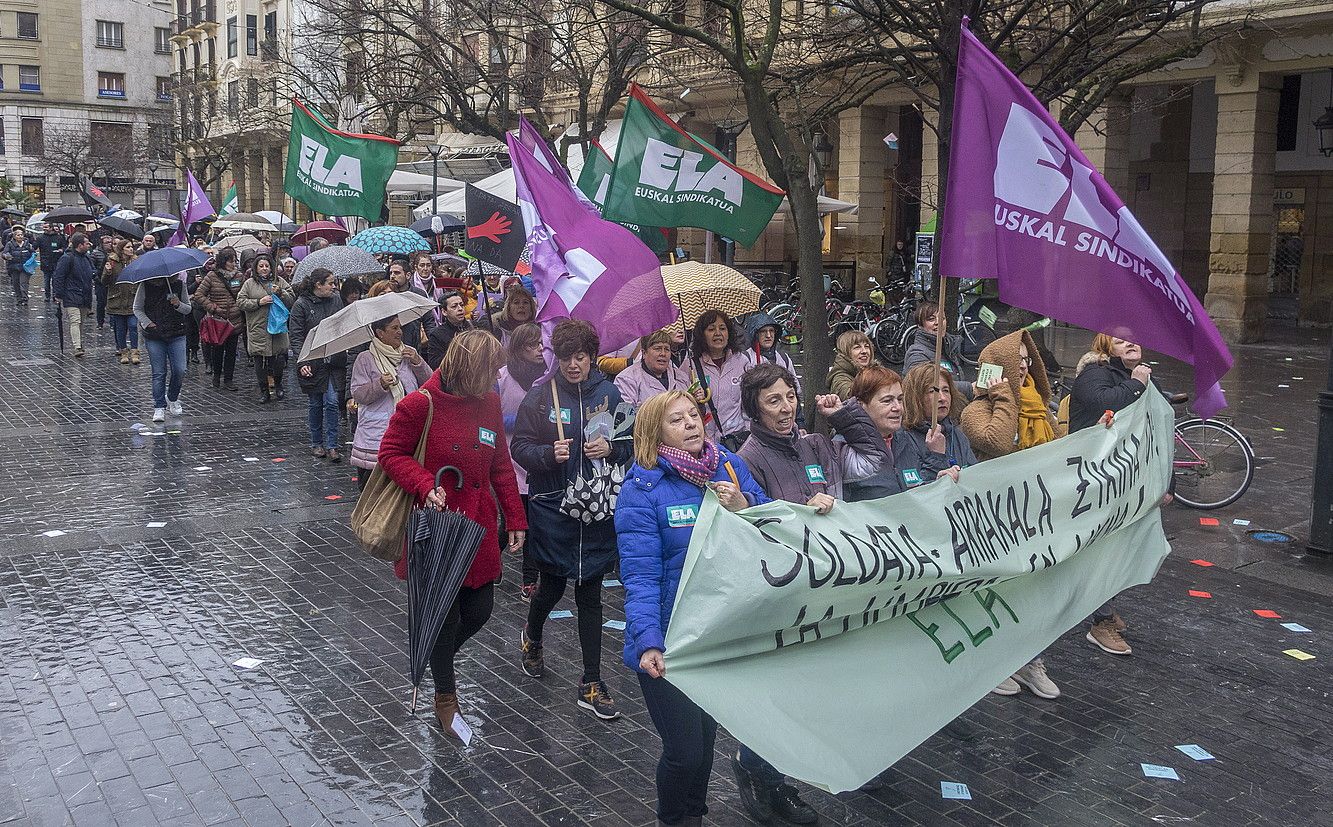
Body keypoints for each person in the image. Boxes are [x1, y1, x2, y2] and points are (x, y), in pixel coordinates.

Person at [615, 390, 769, 827]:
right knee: (683, 752)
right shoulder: (642, 490)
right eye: (676, 420)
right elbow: (640, 575)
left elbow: (770, 517)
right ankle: (671, 818)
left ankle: (692, 817)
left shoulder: (730, 466)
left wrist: (745, 504)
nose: (691, 424)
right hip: (670, 638)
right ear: (654, 433)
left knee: (704, 744)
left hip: (716, 631)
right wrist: (648, 642)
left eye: (693, 416)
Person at [377, 330, 527, 735]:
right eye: (490, 370)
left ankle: (435, 656)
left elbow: (500, 465)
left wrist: (515, 518)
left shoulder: (489, 402)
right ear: (468, 368)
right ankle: (446, 693)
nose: (496, 378)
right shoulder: (418, 405)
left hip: (477, 525)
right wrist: (425, 484)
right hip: (437, 528)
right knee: (444, 614)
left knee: (479, 610)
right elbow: (390, 453)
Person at [510, 319, 629, 721]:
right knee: (552, 587)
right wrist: (547, 455)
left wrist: (610, 449)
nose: (573, 365)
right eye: (565, 357)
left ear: (592, 356)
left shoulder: (611, 394)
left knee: (591, 593)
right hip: (554, 508)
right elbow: (519, 446)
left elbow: (629, 445)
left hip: (596, 509)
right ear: (555, 358)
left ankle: (592, 681)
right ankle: (533, 635)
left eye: (580, 357)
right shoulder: (541, 396)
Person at [960, 329, 1061, 699]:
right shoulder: (976, 411)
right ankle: (994, 660)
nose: (1023, 366)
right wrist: (1002, 397)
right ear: (997, 366)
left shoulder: (1039, 408)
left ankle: (1029, 660)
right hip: (996, 522)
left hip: (1036, 519)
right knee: (997, 592)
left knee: (1034, 593)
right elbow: (996, 442)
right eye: (1014, 359)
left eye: (1026, 359)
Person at [1069, 333, 1170, 657]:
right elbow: (1101, 402)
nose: (1131, 342)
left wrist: (1166, 484)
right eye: (1119, 338)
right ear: (1103, 346)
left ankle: (1103, 609)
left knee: (1121, 549)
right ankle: (1100, 622)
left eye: (1135, 338)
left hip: (1123, 484)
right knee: (1103, 553)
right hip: (1095, 484)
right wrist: (1137, 385)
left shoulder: (1133, 377)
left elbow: (1154, 434)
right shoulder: (1094, 373)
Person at [735, 362, 883, 505]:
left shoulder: (817, 445)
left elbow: (875, 460)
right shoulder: (746, 461)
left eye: (791, 397)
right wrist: (805, 511)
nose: (787, 408)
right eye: (774, 401)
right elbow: (758, 519)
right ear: (754, 409)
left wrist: (842, 415)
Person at [842, 366, 952, 501]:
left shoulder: (904, 440)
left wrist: (937, 478)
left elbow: (917, 494)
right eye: (887, 401)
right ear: (861, 405)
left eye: (900, 399)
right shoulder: (843, 449)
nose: (898, 408)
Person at [349, 315, 432, 489]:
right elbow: (358, 394)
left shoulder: (408, 354)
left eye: (400, 327)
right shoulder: (365, 359)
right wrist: (379, 384)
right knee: (373, 493)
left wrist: (418, 362)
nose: (399, 332)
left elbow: (430, 384)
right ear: (380, 333)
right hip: (376, 434)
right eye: (394, 328)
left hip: (408, 431)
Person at [496, 322, 544, 602]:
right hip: (510, 458)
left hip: (537, 457)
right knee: (512, 521)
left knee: (535, 523)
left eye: (541, 344)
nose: (540, 350)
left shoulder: (547, 376)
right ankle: (490, 559)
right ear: (519, 348)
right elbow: (491, 414)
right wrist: (521, 420)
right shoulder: (501, 377)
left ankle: (530, 580)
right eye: (532, 345)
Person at [290, 268, 347, 462]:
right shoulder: (301, 305)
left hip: (333, 358)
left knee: (332, 402)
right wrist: (302, 361)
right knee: (315, 402)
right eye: (330, 283)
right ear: (318, 285)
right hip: (312, 360)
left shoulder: (336, 300)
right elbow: (296, 336)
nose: (333, 287)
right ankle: (316, 442)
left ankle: (332, 445)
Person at [236, 252, 296, 403]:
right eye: (261, 266)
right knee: (259, 361)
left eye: (267, 266)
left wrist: (280, 292)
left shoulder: (279, 281)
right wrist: (258, 302)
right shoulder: (249, 283)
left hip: (278, 327)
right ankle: (264, 390)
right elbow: (241, 302)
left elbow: (291, 300)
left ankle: (278, 384)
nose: (264, 269)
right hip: (258, 327)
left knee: (278, 359)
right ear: (256, 268)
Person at [899, 362, 977, 475]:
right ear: (916, 398)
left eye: (946, 390)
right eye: (933, 391)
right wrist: (936, 456)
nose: (942, 398)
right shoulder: (903, 439)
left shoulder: (957, 435)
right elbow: (913, 489)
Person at [687, 310, 750, 449]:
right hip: (704, 442)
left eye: (722, 328)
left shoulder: (742, 361)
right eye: (711, 329)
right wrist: (691, 397)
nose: (717, 333)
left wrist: (748, 432)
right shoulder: (690, 366)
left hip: (737, 441)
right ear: (702, 335)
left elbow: (750, 402)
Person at [134, 273, 193, 423]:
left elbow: (188, 309)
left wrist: (178, 304)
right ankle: (159, 406)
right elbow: (137, 308)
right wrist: (147, 323)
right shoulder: (146, 285)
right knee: (159, 372)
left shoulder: (179, 285)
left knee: (180, 369)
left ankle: (172, 397)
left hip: (176, 333)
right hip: (155, 335)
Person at [193, 248, 244, 391]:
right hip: (218, 321)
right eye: (230, 260)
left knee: (231, 351)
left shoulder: (239, 276)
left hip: (234, 320)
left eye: (234, 260)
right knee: (217, 350)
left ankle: (229, 379)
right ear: (223, 261)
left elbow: (243, 294)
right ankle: (216, 375)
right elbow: (199, 295)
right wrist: (213, 307)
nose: (233, 263)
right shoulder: (212, 276)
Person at [902, 301, 973, 400]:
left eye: (942, 318)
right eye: (931, 319)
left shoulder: (948, 348)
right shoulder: (916, 354)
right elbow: (926, 386)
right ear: (920, 325)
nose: (938, 322)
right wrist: (970, 388)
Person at [744, 310, 803, 426]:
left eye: (771, 331)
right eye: (763, 332)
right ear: (755, 334)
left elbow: (794, 391)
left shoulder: (783, 358)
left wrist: (800, 423)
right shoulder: (745, 360)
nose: (768, 335)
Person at [615, 329, 692, 406]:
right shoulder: (626, 379)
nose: (663, 354)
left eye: (667, 349)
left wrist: (697, 401)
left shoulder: (682, 377)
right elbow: (627, 415)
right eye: (657, 349)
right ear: (644, 353)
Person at [52, 233, 95, 358]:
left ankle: (79, 343)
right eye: (87, 243)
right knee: (75, 320)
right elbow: (59, 277)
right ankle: (77, 346)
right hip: (71, 294)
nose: (89, 245)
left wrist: (94, 274)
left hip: (85, 295)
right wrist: (58, 294)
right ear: (80, 245)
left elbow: (92, 271)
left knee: (81, 321)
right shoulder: (67, 258)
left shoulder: (87, 258)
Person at [384, 258, 436, 350]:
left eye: (397, 273)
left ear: (408, 275)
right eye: (391, 273)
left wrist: (434, 342)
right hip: (390, 346)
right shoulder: (386, 294)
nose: (392, 276)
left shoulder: (418, 294)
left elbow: (428, 321)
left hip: (412, 345)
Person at [104, 240, 141, 366]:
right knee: (120, 329)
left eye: (132, 247)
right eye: (128, 247)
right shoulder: (112, 262)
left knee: (132, 326)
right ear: (122, 249)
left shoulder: (135, 261)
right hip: (117, 300)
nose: (131, 249)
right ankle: (124, 351)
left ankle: (135, 352)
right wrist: (108, 271)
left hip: (132, 299)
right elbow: (105, 281)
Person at [424, 290, 472, 369]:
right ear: (444, 311)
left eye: (461, 305)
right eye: (454, 306)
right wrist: (455, 350)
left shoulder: (473, 326)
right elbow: (434, 364)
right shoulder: (437, 335)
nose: (460, 309)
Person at [827, 330, 878, 400]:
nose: (864, 351)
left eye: (866, 346)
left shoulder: (875, 370)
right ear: (846, 352)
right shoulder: (840, 377)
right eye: (857, 347)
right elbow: (851, 398)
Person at [2, 225, 35, 307]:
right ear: (14, 236)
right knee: (16, 284)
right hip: (14, 267)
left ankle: (25, 299)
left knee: (23, 283)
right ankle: (19, 299)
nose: (20, 236)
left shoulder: (27, 244)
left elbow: (33, 252)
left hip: (25, 267)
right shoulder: (10, 244)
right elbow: (5, 253)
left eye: (21, 235)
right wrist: (7, 256)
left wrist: (32, 257)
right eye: (18, 235)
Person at [36, 222, 66, 303]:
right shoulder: (40, 238)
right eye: (44, 227)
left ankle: (54, 296)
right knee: (46, 281)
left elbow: (64, 247)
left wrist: (61, 250)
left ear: (51, 228)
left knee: (55, 281)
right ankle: (47, 296)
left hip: (56, 262)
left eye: (46, 227)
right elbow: (34, 247)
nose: (44, 228)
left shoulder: (59, 238)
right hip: (45, 263)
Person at [89, 234, 114, 329]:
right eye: (107, 243)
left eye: (110, 242)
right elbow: (92, 267)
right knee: (101, 303)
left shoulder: (114, 254)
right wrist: (96, 278)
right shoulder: (96, 253)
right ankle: (100, 322)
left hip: (111, 282)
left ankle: (112, 322)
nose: (109, 244)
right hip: (100, 282)